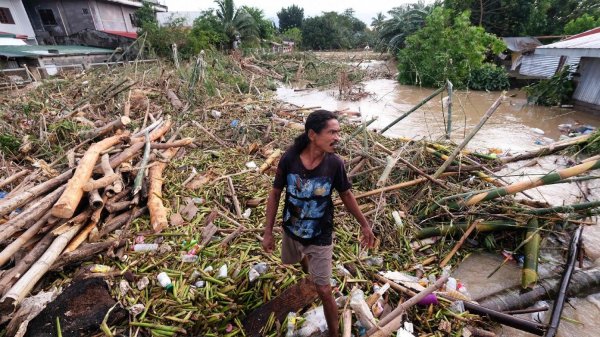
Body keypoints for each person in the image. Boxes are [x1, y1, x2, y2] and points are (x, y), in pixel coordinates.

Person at [262, 109, 375, 337]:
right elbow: (275, 194)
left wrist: (364, 224)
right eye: (331, 132)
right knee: (298, 263)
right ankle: (309, 272)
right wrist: (268, 232)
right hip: (292, 229)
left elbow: (346, 195)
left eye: (338, 132)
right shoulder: (290, 159)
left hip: (320, 234)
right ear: (312, 135)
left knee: (324, 289)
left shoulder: (334, 164)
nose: (337, 138)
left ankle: (334, 334)